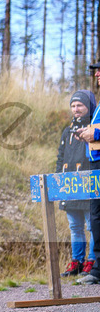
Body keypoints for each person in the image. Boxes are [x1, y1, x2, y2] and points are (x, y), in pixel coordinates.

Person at [56, 90, 96, 277]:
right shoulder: (67, 131)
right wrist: (58, 181)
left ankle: (92, 260)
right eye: (73, 105)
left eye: (80, 105)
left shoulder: (94, 129)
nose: (76, 109)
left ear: (88, 107)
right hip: (69, 185)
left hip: (89, 184)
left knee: (92, 225)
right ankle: (77, 261)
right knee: (75, 227)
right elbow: (60, 157)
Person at [75, 64, 100, 285]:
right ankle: (98, 270)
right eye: (96, 70)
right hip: (96, 165)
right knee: (97, 216)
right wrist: (87, 133)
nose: (97, 74)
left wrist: (96, 131)